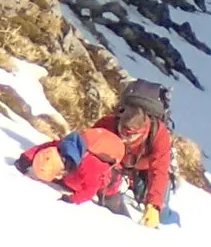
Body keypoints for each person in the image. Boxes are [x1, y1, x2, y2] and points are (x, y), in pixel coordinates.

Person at [20, 79, 179, 225]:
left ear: (143, 130)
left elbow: (159, 170)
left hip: (146, 169)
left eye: (130, 135)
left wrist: (154, 206)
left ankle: (170, 219)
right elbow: (80, 147)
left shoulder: (159, 136)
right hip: (119, 167)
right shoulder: (107, 125)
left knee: (161, 213)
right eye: (122, 130)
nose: (124, 137)